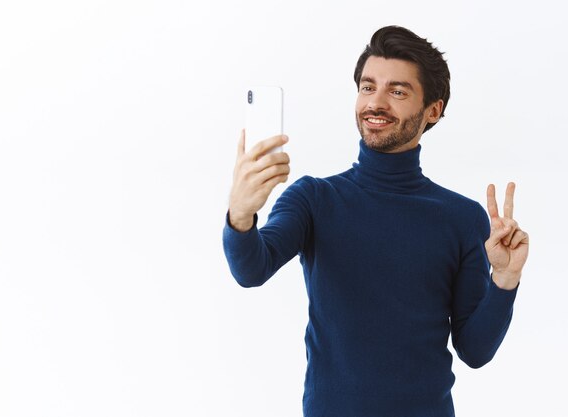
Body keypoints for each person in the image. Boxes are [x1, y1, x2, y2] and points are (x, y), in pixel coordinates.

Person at [222, 25, 529, 417]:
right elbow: (250, 269)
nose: (376, 103)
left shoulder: (462, 218)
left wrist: (504, 280)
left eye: (397, 91)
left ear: (433, 110)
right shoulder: (314, 198)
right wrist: (241, 214)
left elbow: (475, 350)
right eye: (368, 87)